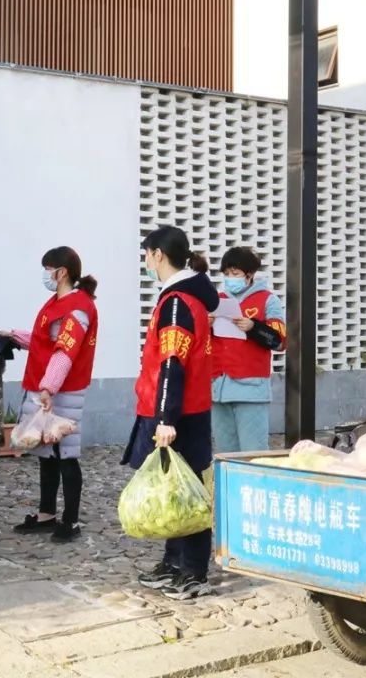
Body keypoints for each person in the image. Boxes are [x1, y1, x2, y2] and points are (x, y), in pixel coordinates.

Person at [123, 226, 220, 600]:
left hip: (182, 413)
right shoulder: (179, 297)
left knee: (189, 488)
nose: (146, 262)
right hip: (180, 409)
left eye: (146, 254)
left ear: (158, 254)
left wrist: (165, 418)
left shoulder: (178, 302)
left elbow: (171, 364)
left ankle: (193, 570)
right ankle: (174, 560)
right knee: (173, 488)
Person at [1, 247, 98, 544]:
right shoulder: (58, 302)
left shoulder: (77, 308)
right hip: (48, 389)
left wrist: (48, 388)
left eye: (48, 269)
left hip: (62, 392)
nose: (45, 274)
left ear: (62, 272)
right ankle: (46, 515)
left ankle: (70, 520)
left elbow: (65, 351)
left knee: (65, 454)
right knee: (47, 455)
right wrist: (12, 335)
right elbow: (46, 342)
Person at [211, 247, 286, 454]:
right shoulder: (217, 299)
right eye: (226, 274)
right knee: (225, 455)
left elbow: (280, 342)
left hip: (250, 389)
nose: (229, 278)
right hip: (219, 387)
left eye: (235, 274)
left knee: (253, 453)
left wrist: (254, 327)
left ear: (250, 274)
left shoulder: (268, 300)